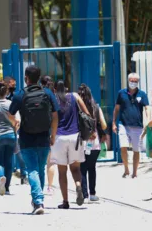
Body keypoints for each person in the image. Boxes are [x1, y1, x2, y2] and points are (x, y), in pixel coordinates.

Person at [9, 65, 59, 215]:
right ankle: (39, 198)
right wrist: (53, 135)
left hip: (26, 137)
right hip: (44, 136)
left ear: (26, 78)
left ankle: (38, 201)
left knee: (32, 169)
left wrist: (15, 122)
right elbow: (56, 116)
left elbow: (10, 113)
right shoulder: (48, 93)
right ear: (39, 77)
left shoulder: (20, 95)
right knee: (40, 168)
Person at [50, 80, 90, 209]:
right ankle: (78, 185)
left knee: (62, 172)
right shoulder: (75, 96)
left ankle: (65, 201)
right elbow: (87, 114)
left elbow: (51, 118)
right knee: (76, 169)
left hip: (59, 137)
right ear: (66, 88)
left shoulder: (53, 99)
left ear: (54, 89)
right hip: (75, 137)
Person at [112, 73, 149, 178]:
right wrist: (114, 122)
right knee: (123, 147)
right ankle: (126, 170)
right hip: (123, 124)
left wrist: (148, 120)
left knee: (136, 150)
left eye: (135, 81)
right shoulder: (121, 93)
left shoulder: (142, 94)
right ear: (128, 80)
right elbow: (117, 108)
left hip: (137, 126)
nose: (133, 83)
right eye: (131, 80)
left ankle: (135, 172)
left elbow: (147, 108)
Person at [78, 84, 108, 203]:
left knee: (82, 168)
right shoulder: (96, 107)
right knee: (92, 168)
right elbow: (104, 125)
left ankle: (84, 194)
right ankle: (93, 194)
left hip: (82, 141)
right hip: (95, 142)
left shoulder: (78, 108)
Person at [40, 75, 56, 194]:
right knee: (50, 161)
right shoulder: (53, 95)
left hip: (39, 129)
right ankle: (50, 186)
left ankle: (39, 185)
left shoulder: (38, 93)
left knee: (40, 160)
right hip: (52, 129)